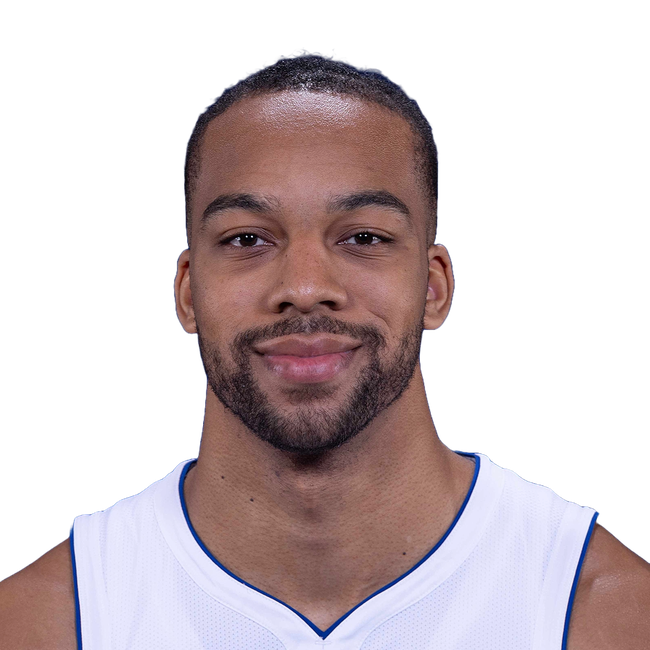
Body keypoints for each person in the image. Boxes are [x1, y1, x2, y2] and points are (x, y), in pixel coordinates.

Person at [1, 51, 648, 650]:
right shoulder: (46, 621)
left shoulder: (603, 610)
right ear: (188, 294)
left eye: (364, 237)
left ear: (434, 288)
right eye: (248, 239)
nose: (306, 287)